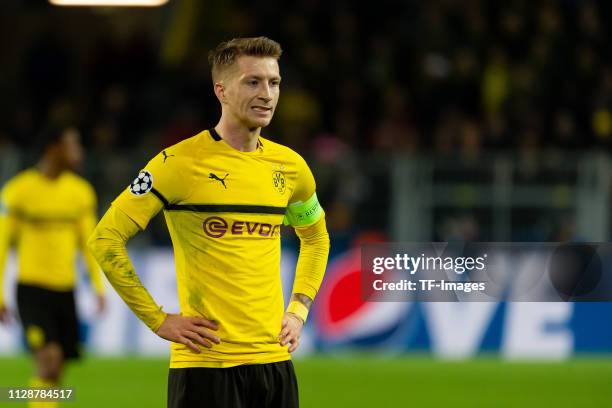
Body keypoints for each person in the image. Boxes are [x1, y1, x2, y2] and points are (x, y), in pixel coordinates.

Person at [88, 36, 330, 408]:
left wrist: (298, 310)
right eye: (253, 82)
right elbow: (105, 239)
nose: (267, 93)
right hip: (205, 366)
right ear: (222, 90)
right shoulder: (177, 163)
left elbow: (315, 238)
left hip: (274, 363)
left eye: (274, 82)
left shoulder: (292, 168)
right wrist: (158, 320)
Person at [0, 123, 106, 408]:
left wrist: (98, 287)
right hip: (32, 290)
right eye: (72, 144)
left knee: (56, 372)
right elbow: (1, 244)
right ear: (53, 149)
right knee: (49, 361)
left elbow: (89, 243)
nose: (78, 151)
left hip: (65, 290)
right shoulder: (18, 191)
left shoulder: (81, 193)